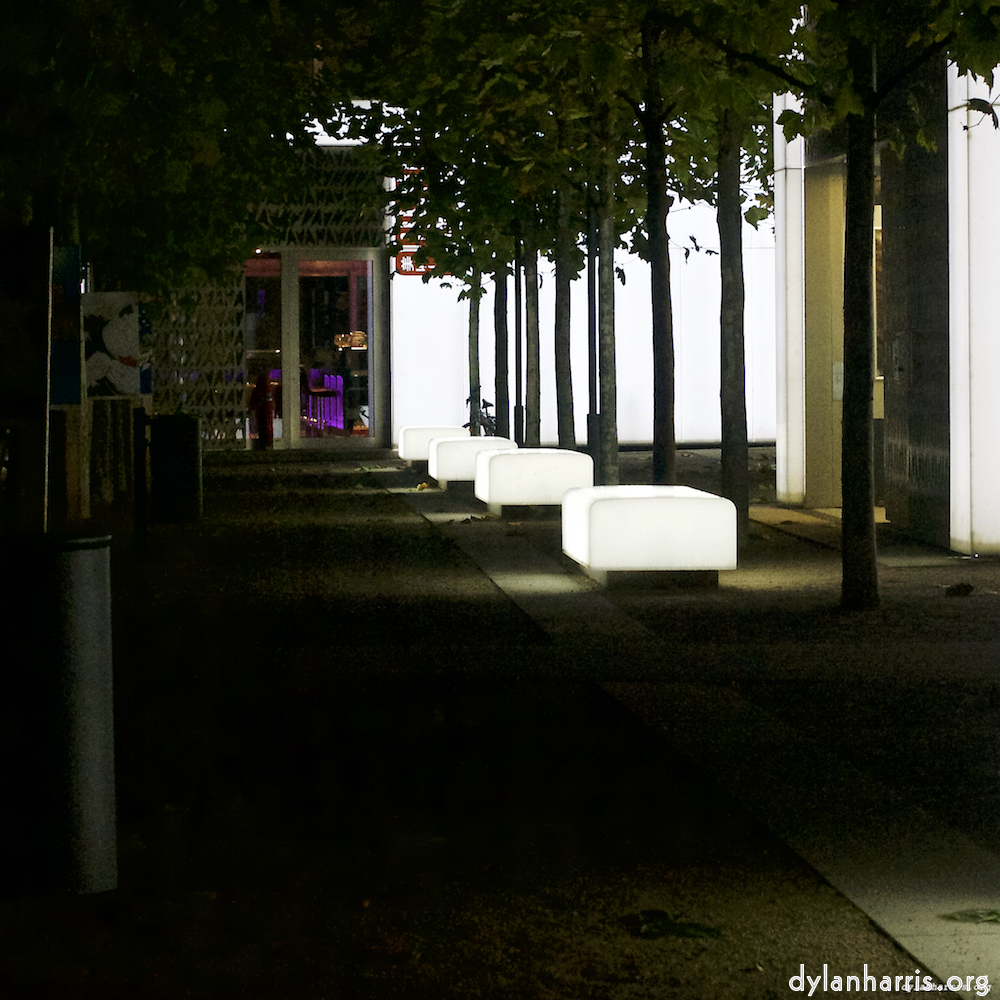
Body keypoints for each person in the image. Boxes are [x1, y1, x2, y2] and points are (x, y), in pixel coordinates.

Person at [248, 373, 274, 449]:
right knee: (265, 428)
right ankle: (266, 443)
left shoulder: (257, 391)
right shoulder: (266, 391)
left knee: (261, 428)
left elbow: (253, 403)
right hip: (265, 414)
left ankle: (261, 443)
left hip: (260, 414)